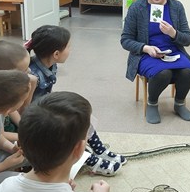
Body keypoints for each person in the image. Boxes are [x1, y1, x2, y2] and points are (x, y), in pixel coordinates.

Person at [27, 24, 126, 176]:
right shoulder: (33, 76)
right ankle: (89, 160)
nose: (71, 50)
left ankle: (99, 150)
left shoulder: (50, 65)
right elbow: (25, 108)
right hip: (37, 118)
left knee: (81, 114)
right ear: (56, 54)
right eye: (68, 47)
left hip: (44, 108)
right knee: (68, 127)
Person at [121, 0, 190, 124]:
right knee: (163, 73)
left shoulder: (176, 7)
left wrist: (173, 33)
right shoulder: (137, 8)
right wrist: (146, 48)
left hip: (173, 51)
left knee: (187, 70)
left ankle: (179, 104)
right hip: (145, 54)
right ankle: (152, 104)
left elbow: (187, 39)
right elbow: (125, 40)